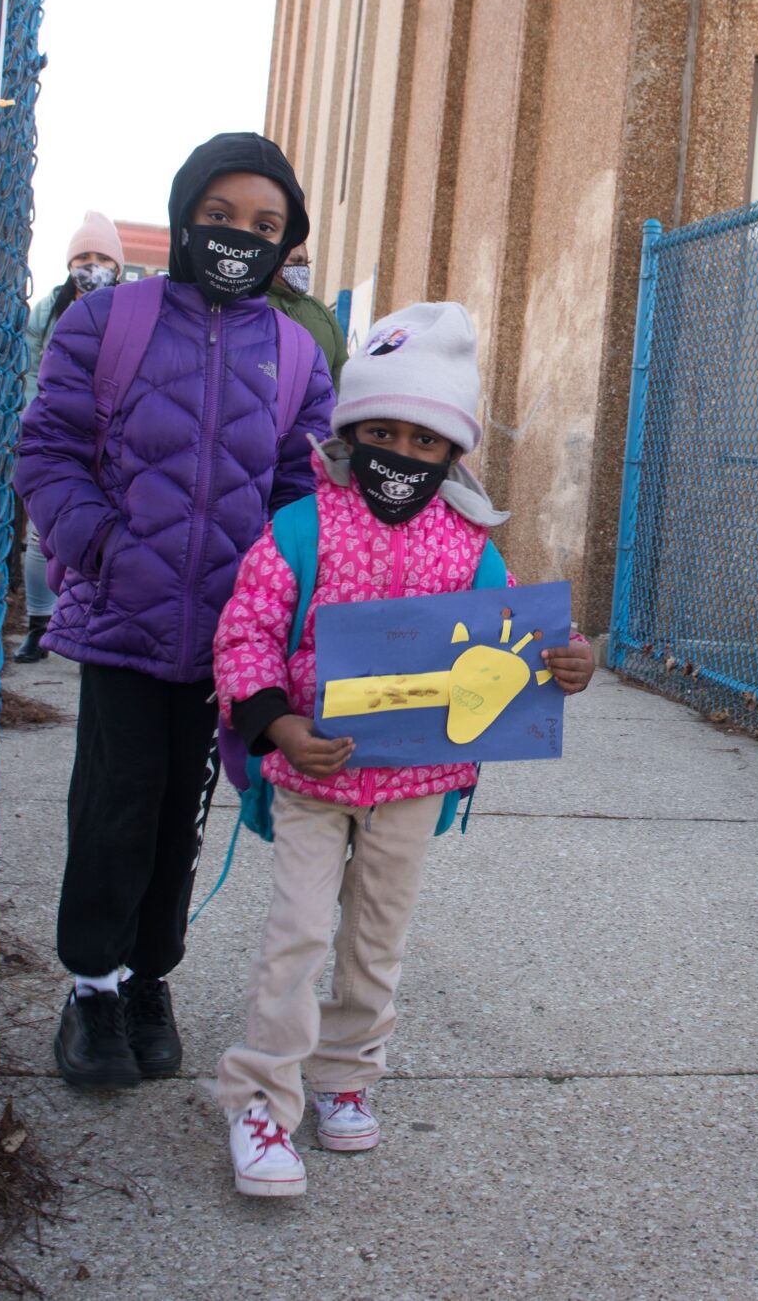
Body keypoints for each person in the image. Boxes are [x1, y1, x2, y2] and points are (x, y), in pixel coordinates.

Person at [209, 302, 594, 1197]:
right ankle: (261, 1099)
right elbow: (245, 636)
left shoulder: (472, 549)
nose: (400, 454)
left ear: (452, 453)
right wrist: (279, 725)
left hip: (416, 784)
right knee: (297, 933)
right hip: (315, 772)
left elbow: (516, 647)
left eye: (423, 441)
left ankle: (345, 1073)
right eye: (379, 432)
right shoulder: (301, 528)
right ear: (349, 433)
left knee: (376, 937)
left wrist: (566, 662)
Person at [15, 134, 338, 1090]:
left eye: (267, 226)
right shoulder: (108, 321)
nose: (241, 236)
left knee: (180, 817)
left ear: (288, 245)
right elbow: (49, 449)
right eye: (224, 215)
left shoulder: (292, 351)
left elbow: (301, 489)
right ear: (188, 213)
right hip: (123, 619)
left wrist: (282, 604)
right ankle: (93, 987)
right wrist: (101, 544)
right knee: (114, 806)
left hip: (231, 641)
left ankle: (149, 977)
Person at [15, 212, 126, 663]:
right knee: (44, 534)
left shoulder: (131, 308)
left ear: (117, 266)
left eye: (102, 257)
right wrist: (29, 421)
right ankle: (38, 625)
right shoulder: (48, 310)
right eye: (83, 256)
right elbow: (28, 368)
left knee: (104, 530)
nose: (92, 265)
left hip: (111, 437)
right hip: (60, 429)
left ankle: (93, 628)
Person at [269, 243, 349, 381]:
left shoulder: (319, 310)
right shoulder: (252, 303)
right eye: (297, 261)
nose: (303, 269)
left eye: (307, 263)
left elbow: (341, 369)